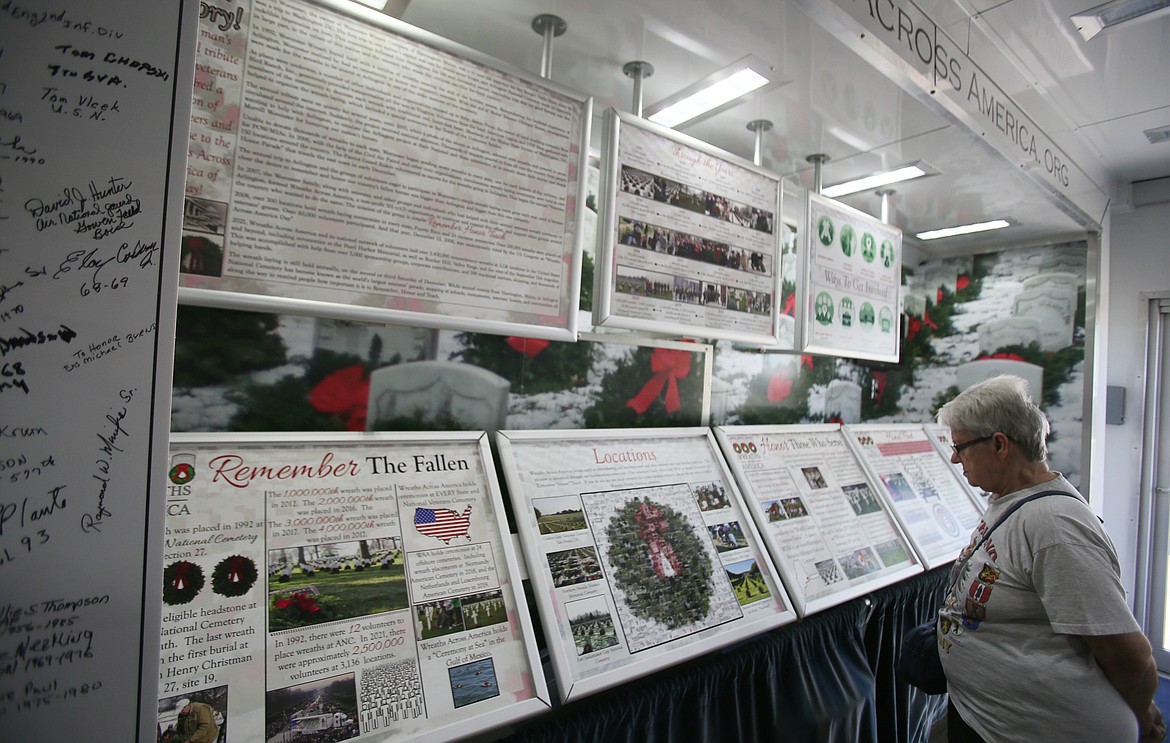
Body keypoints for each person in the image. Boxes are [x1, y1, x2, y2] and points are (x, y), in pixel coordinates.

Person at [935, 375, 1166, 743]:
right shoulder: (1010, 499)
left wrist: (1141, 714)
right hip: (990, 721)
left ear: (999, 445)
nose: (954, 457)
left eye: (960, 447)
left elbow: (1131, 659)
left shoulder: (1055, 526)